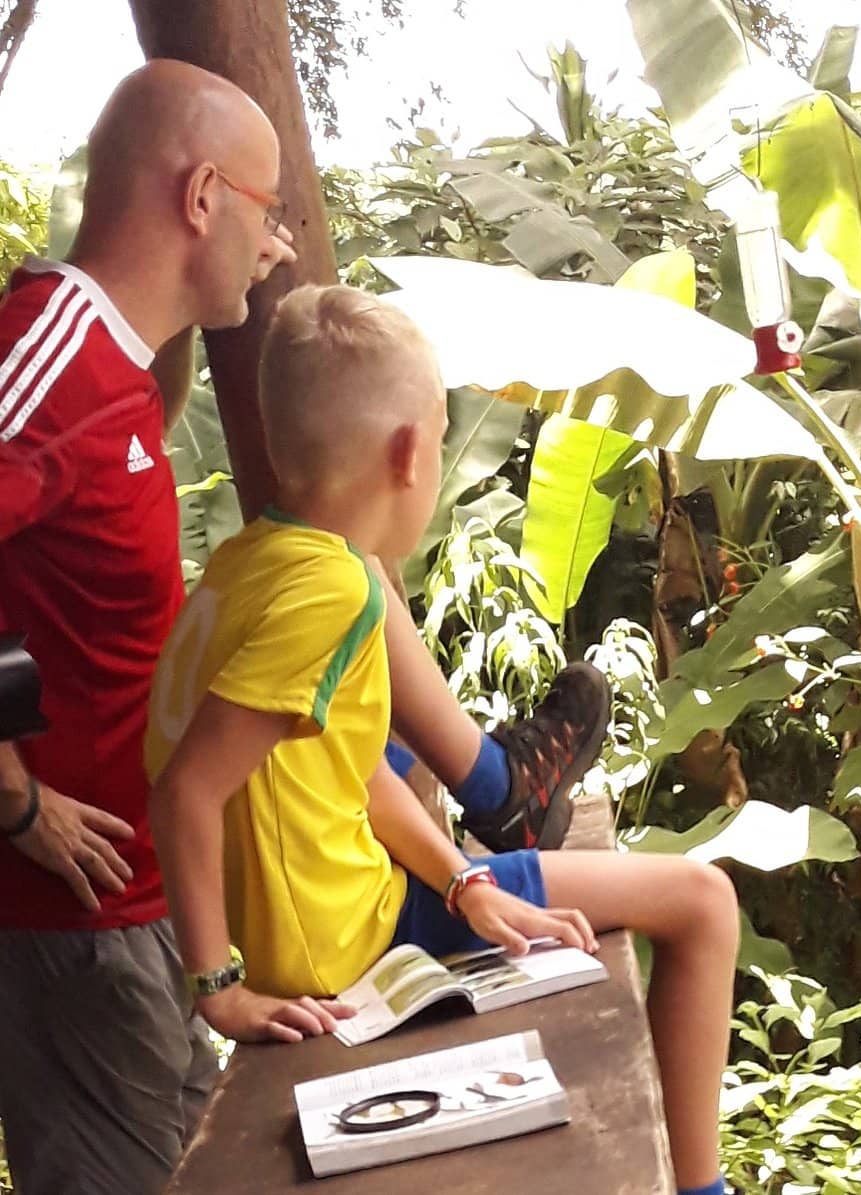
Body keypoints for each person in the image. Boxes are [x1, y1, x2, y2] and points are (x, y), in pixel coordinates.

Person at [0, 60, 608, 1195]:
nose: (277, 235)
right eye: (264, 207)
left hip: (144, 911)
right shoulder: (45, 352)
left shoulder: (115, 370)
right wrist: (12, 792)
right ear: (198, 198)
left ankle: (493, 780)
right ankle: (495, 780)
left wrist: (221, 286)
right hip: (72, 916)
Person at [146, 284, 740, 1195]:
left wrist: (465, 885)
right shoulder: (338, 591)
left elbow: (340, 774)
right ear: (412, 452)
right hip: (346, 936)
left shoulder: (258, 559)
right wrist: (217, 987)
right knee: (702, 902)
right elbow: (187, 789)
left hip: (352, 904)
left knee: (634, 898)